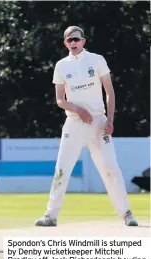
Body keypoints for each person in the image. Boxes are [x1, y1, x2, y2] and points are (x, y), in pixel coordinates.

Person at [35, 26, 138, 227]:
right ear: (65, 43)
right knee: (62, 168)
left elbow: (110, 92)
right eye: (69, 40)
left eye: (76, 39)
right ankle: (51, 215)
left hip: (99, 122)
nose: (73, 43)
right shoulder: (61, 66)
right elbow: (59, 100)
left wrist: (110, 120)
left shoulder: (97, 60)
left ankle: (126, 213)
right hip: (74, 123)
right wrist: (78, 110)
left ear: (83, 41)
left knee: (110, 167)